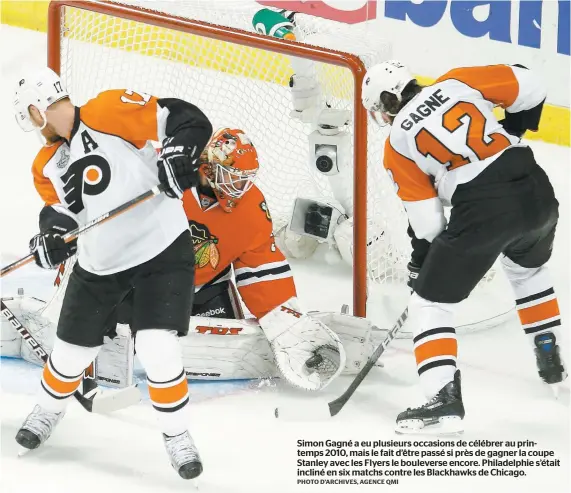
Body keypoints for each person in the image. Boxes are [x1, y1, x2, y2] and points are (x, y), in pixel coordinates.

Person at [13, 67, 213, 479]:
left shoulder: (107, 109)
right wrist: (50, 239)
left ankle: (177, 436)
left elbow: (187, 118)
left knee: (158, 347)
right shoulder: (45, 164)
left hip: (161, 250)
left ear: (37, 112)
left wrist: (178, 153)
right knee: (70, 355)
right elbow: (61, 218)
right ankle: (48, 411)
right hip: (100, 266)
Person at [361, 61, 566, 434]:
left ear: (387, 103)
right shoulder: (456, 81)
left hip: (484, 207)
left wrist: (423, 262)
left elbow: (428, 225)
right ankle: (551, 360)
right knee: (527, 270)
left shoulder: (396, 144)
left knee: (429, 303)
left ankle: (442, 399)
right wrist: (513, 130)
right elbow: (532, 82)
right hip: (535, 188)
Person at [115, 127, 347, 391]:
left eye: (246, 179)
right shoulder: (159, 171)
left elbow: (261, 267)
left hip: (207, 288)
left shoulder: (251, 208)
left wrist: (283, 320)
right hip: (141, 283)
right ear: (209, 168)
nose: (241, 188)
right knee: (116, 342)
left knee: (228, 345)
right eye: (234, 178)